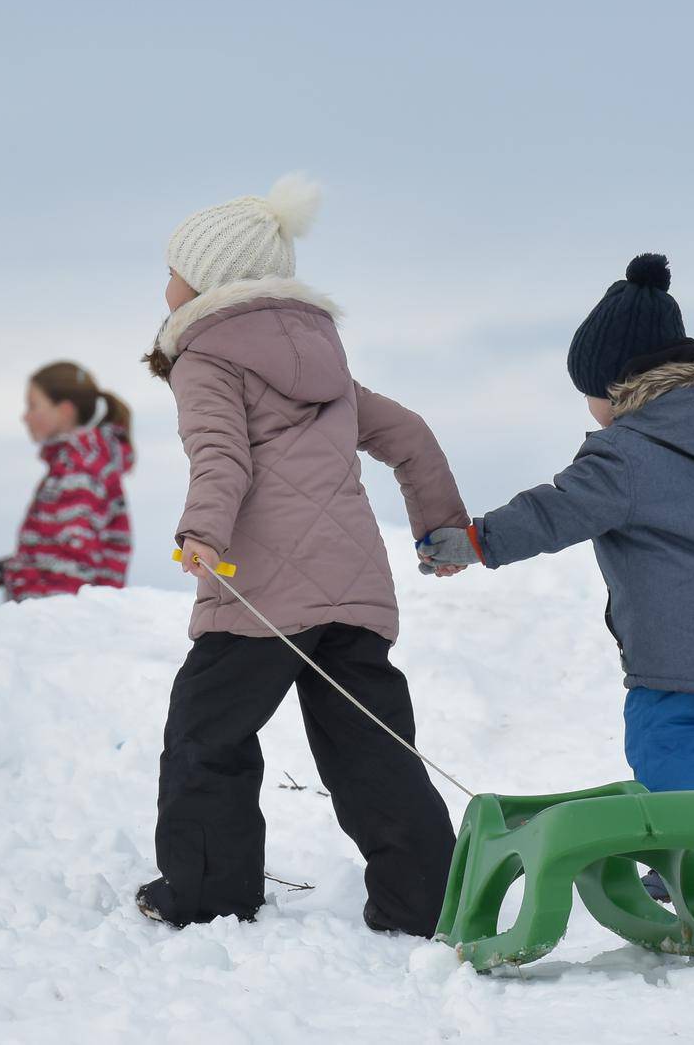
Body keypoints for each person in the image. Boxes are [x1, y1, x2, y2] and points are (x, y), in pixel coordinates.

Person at [135, 175, 469, 935]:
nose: (166, 285)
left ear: (209, 281)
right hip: (354, 590)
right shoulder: (322, 355)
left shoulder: (206, 357)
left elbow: (221, 457)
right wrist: (439, 529)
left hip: (259, 592)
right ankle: (425, 900)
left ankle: (210, 895)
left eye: (172, 269)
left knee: (206, 735)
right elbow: (408, 434)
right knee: (371, 748)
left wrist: (202, 533)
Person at [417, 254, 694, 900]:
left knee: (659, 732)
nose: (590, 410)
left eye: (589, 395)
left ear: (620, 386)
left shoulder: (626, 453)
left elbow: (554, 511)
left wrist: (480, 540)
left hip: (681, 633)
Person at [0, 363, 135, 599]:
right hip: (60, 616)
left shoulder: (79, 471)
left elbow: (74, 563)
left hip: (62, 622)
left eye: (33, 406)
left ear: (65, 410)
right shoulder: (75, 465)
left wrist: (40, 617)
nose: (25, 416)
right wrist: (8, 570)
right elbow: (56, 549)